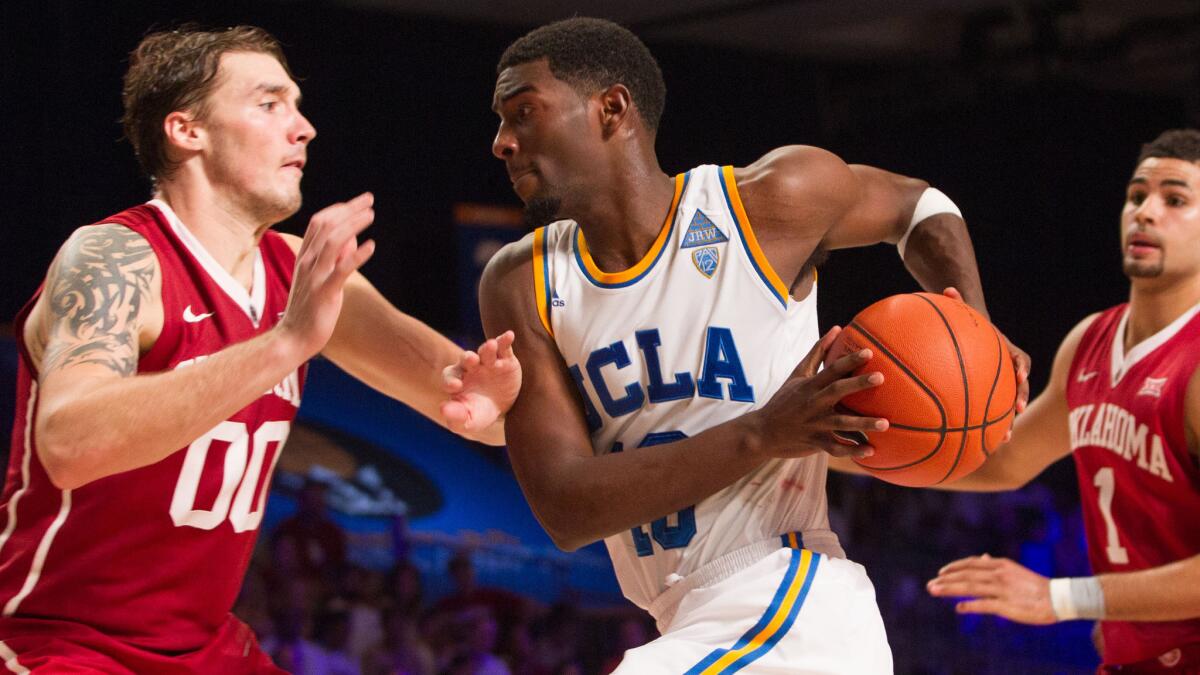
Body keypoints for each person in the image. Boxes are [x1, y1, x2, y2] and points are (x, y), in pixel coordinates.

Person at [479, 17, 1028, 672]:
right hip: (683, 617)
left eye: (523, 113)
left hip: (793, 599)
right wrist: (763, 432)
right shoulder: (521, 282)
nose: (501, 142)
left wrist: (975, 325)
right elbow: (566, 508)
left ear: (612, 109)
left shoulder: (767, 205)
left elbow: (916, 205)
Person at [0, 25, 519, 672]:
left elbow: (477, 408)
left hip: (204, 644)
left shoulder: (302, 268)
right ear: (187, 131)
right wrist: (285, 342)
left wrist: (492, 407)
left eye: (298, 106)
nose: (302, 128)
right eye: (270, 104)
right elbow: (72, 445)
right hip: (63, 638)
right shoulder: (114, 257)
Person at [926, 129, 1200, 672]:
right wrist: (837, 449)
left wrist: (1060, 598)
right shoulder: (1091, 340)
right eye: (1136, 195)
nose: (1145, 212)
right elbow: (1002, 459)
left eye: (1175, 199)